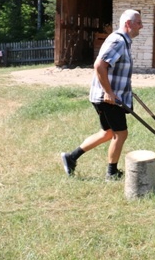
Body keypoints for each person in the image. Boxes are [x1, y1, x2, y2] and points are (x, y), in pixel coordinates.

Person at [61, 9, 143, 180]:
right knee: (121, 133)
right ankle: (111, 173)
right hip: (108, 98)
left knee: (107, 132)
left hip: (109, 96)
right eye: (138, 23)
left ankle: (71, 157)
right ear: (128, 24)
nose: (141, 26)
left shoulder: (124, 42)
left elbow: (114, 69)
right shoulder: (117, 41)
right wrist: (109, 92)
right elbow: (100, 66)